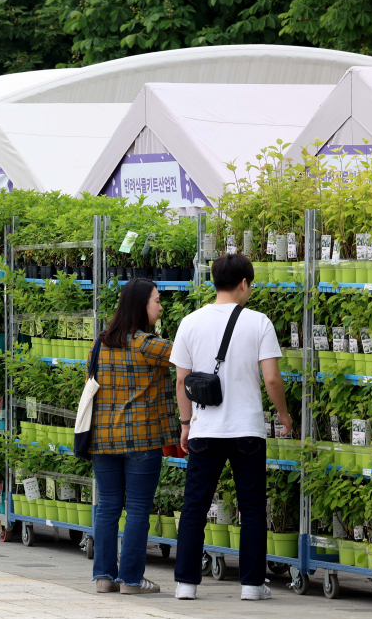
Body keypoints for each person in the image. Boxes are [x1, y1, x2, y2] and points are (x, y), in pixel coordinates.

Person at [170, 254, 294, 601]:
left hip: (204, 429)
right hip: (247, 430)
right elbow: (271, 378)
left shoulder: (190, 322)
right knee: (252, 506)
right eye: (250, 285)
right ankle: (252, 585)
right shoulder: (259, 322)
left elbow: (181, 382)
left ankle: (186, 584)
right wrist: (283, 415)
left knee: (195, 505)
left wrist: (185, 424)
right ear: (243, 284)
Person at [87, 278, 175, 595]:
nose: (160, 306)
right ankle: (132, 581)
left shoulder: (100, 344)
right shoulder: (150, 345)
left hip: (102, 439)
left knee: (108, 506)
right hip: (142, 437)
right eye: (156, 300)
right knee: (138, 508)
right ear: (141, 306)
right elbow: (187, 358)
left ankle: (103, 577)